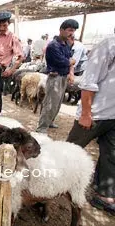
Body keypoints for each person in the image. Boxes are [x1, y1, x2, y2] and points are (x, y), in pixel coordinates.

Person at [66, 36, 115, 215]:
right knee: (70, 150)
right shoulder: (109, 45)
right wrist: (86, 113)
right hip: (96, 113)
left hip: (113, 115)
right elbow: (89, 81)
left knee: (111, 155)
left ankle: (104, 195)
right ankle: (55, 184)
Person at [36, 19, 78, 133]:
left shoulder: (66, 44)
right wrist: (71, 62)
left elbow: (70, 59)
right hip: (55, 77)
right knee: (50, 103)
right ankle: (42, 128)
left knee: (58, 103)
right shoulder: (53, 46)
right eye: (70, 30)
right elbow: (64, 62)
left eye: (73, 31)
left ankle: (50, 122)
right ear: (61, 30)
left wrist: (71, 68)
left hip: (63, 77)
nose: (71, 33)